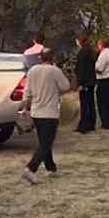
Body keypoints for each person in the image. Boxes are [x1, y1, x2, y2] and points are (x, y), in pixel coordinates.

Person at [22, 48, 75, 182]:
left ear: (40, 58)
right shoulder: (54, 70)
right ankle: (31, 168)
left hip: (36, 111)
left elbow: (27, 91)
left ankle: (51, 168)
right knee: (46, 143)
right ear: (52, 58)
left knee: (43, 142)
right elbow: (66, 86)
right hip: (50, 112)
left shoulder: (32, 70)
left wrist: (24, 107)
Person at [74, 34, 98, 134]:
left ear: (79, 42)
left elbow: (81, 70)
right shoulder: (92, 52)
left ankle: (84, 125)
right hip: (91, 81)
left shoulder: (82, 53)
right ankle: (91, 123)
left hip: (85, 83)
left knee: (84, 104)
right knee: (91, 103)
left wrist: (80, 84)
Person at [94, 39, 109, 130]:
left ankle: (106, 123)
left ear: (101, 45)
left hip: (104, 81)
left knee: (102, 103)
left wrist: (94, 67)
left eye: (98, 45)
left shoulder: (103, 55)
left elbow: (99, 69)